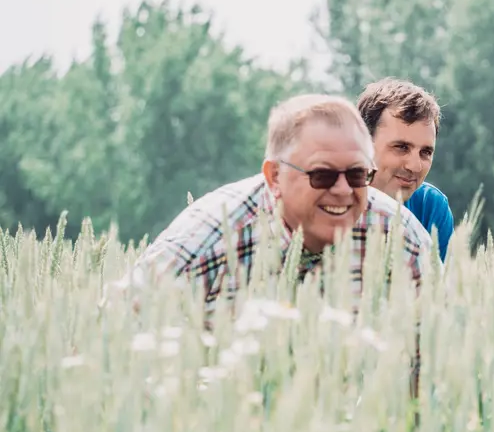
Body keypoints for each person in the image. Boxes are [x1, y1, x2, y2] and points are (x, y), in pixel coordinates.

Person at [119, 93, 432, 317]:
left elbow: (430, 369)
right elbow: (107, 344)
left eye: (357, 174)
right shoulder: (205, 244)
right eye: (321, 175)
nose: (342, 190)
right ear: (274, 176)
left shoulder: (403, 242)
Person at [357, 77, 454, 261]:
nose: (415, 166)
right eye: (401, 147)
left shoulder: (430, 206)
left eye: (425, 152)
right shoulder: (333, 200)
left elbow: (441, 288)